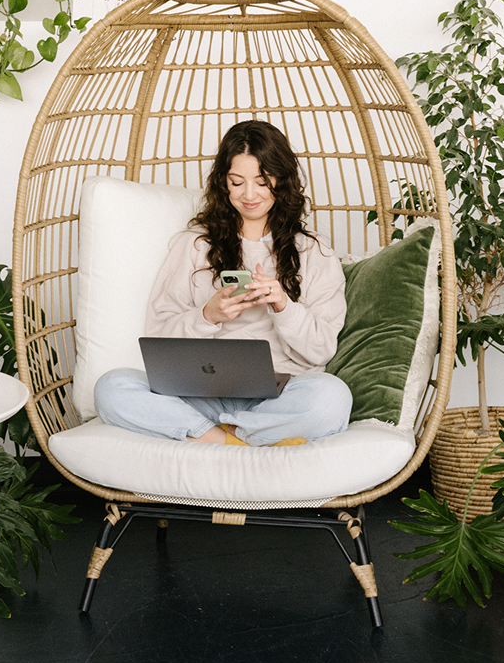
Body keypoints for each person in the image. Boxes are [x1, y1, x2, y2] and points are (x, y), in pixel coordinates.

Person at [94, 120, 354, 448]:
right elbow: (159, 338)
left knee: (333, 397)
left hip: (280, 396)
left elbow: (322, 349)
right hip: (200, 395)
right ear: (223, 183)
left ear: (282, 179)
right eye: (237, 182)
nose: (249, 195)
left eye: (263, 181)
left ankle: (210, 435)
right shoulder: (195, 245)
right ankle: (239, 440)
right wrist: (207, 316)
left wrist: (283, 306)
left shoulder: (314, 251)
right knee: (112, 387)